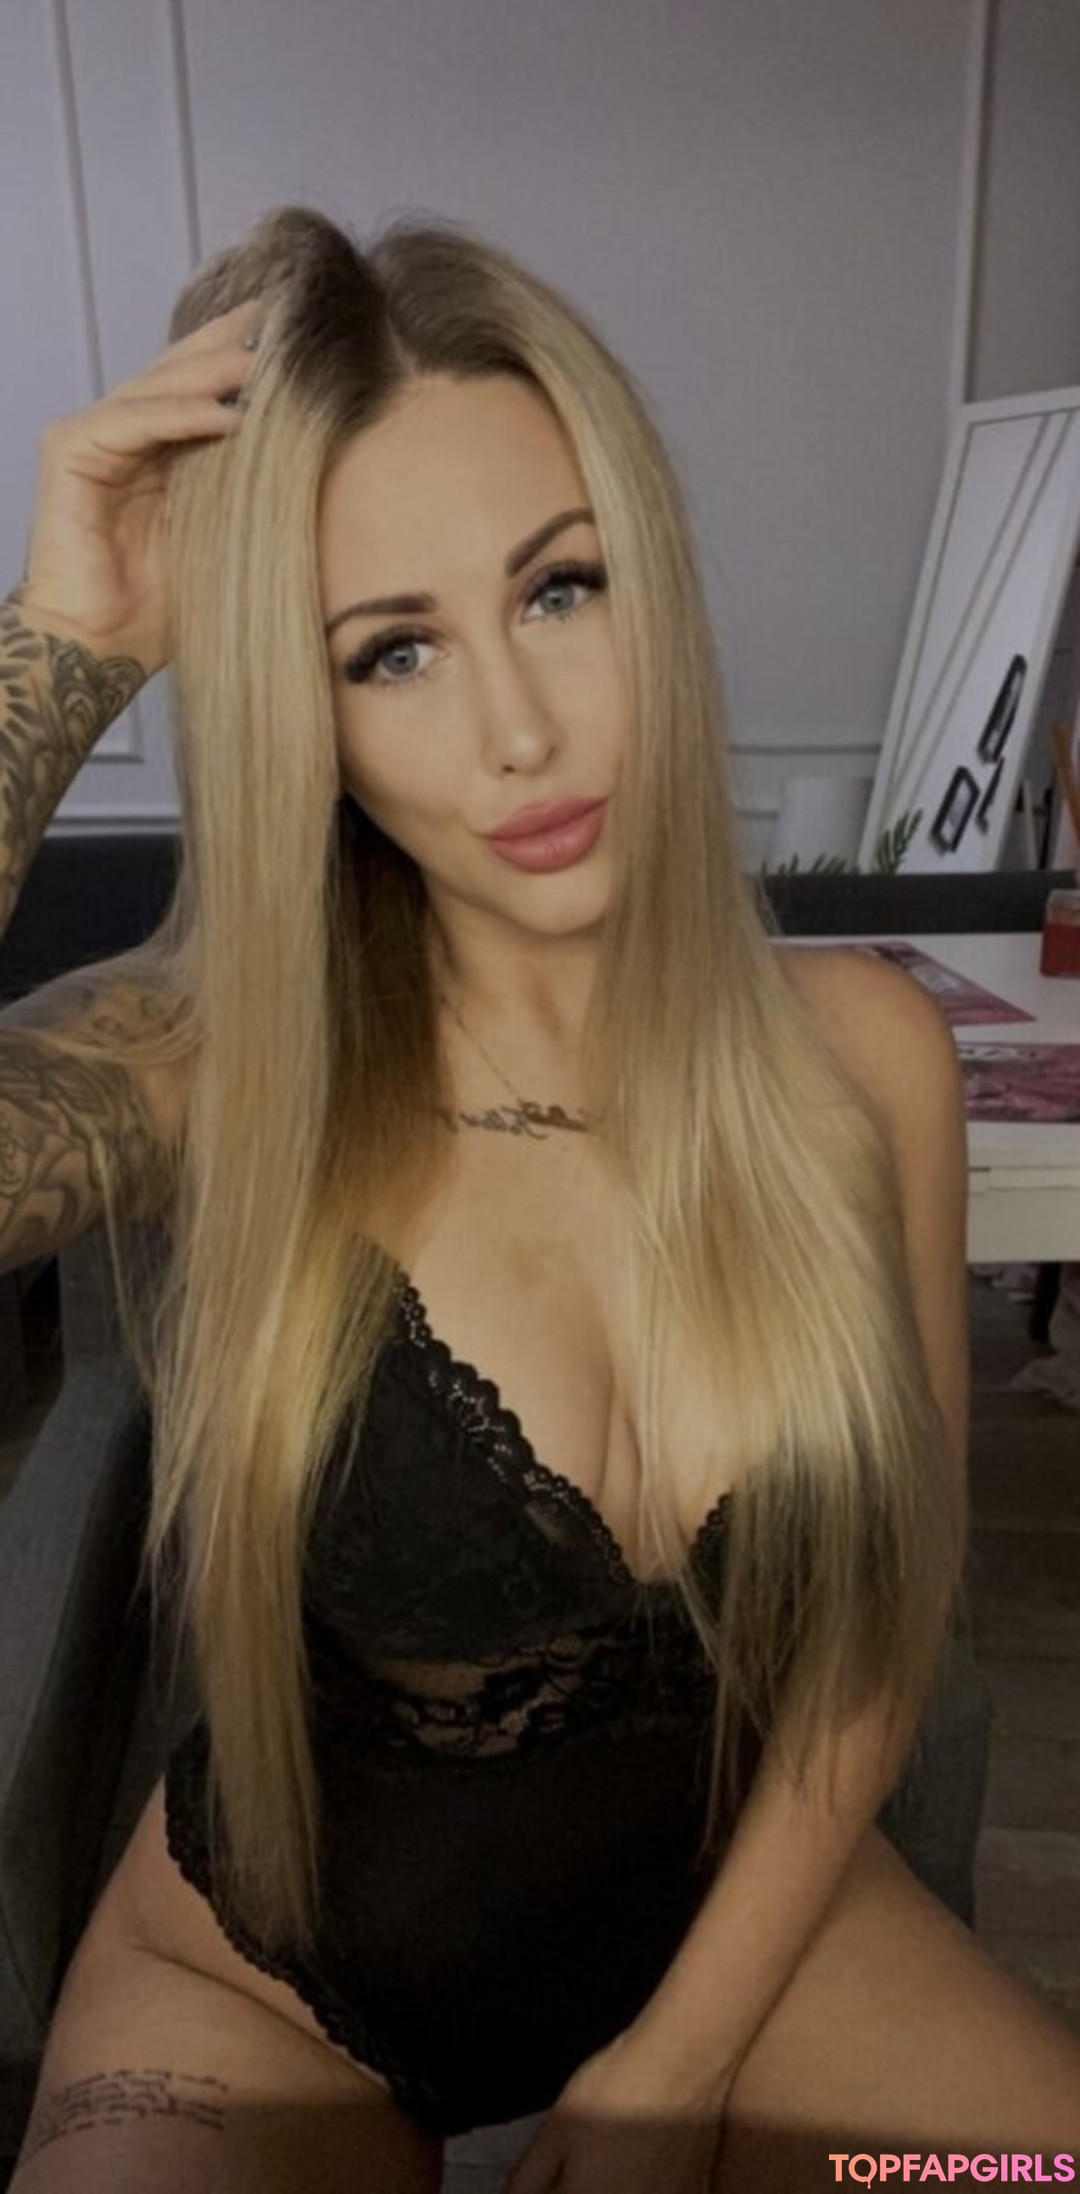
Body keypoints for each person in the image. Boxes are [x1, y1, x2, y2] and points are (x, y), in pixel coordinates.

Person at [0, 204, 1076, 2194]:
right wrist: (64, 644)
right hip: (277, 1989)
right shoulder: (219, 1066)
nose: (519, 728)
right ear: (303, 710)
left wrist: (675, 2067)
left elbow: (876, 1617)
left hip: (736, 1944)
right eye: (392, 650)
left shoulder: (862, 1062)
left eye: (560, 587)